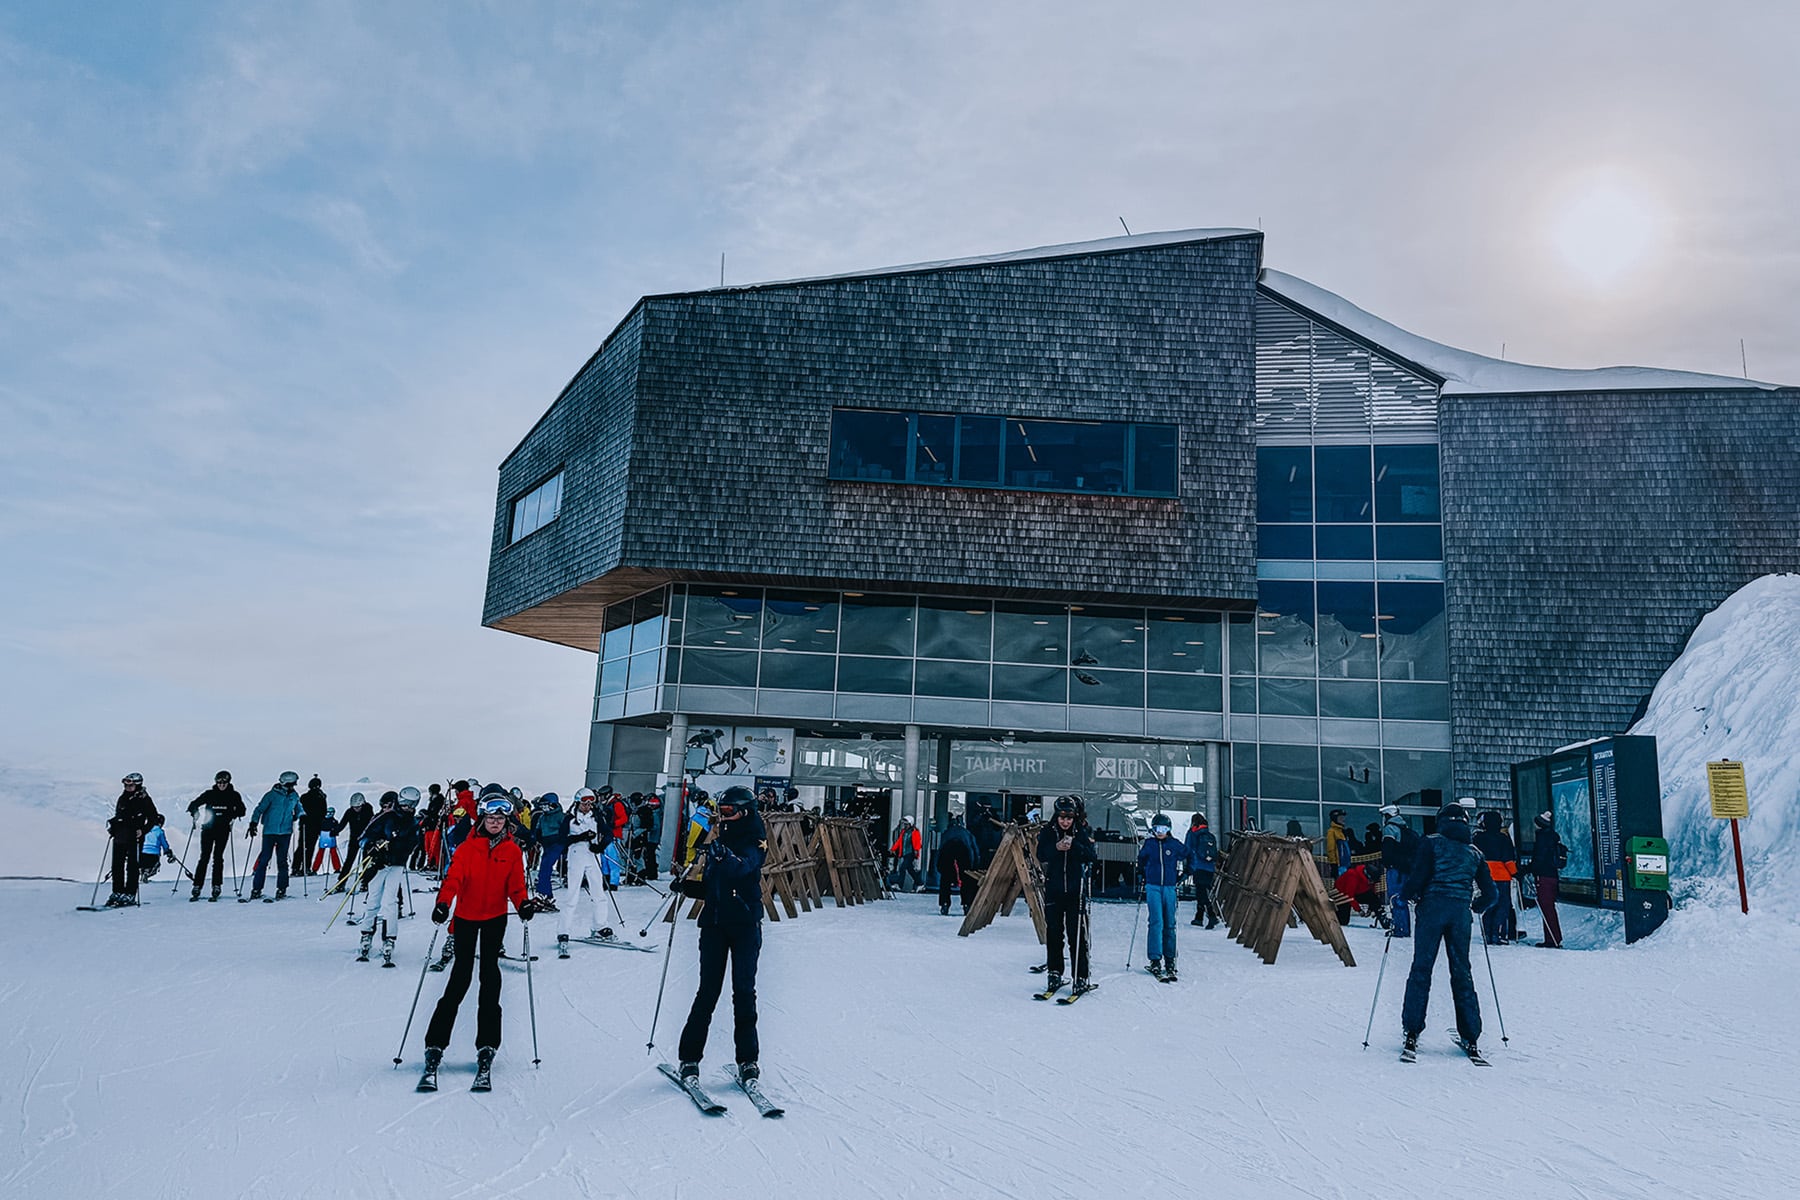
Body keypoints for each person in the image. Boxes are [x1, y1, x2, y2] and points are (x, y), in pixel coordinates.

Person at [419, 794, 535, 1092]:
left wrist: (523, 904)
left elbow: (516, 885)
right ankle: (435, 1045)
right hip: (468, 919)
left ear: (506, 822)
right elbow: (453, 879)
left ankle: (487, 1045)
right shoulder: (468, 848)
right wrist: (443, 904)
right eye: (490, 819)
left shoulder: (511, 851)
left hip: (495, 918)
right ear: (482, 820)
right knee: (459, 980)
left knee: (490, 980)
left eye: (500, 820)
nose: (495, 823)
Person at [676, 785, 768, 1084]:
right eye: (721, 812)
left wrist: (722, 855)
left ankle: (748, 1060)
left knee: (743, 992)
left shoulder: (755, 840)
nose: (723, 817)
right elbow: (715, 888)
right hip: (715, 925)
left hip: (744, 926)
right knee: (707, 992)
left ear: (745, 811)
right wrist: (688, 887)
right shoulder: (721, 839)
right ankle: (689, 1058)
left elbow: (743, 868)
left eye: (728, 811)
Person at [1398, 800, 1498, 1061]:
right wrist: (1476, 906)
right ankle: (1471, 1034)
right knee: (1462, 972)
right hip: (1460, 914)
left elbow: (1418, 877)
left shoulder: (1431, 842)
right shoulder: (1474, 852)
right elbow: (1491, 892)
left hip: (1431, 910)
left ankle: (1412, 1029)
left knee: (1421, 968)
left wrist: (1407, 895)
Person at [1035, 796, 1096, 995]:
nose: (1065, 822)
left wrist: (1075, 847)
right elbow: (1041, 854)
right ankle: (1054, 972)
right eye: (1062, 817)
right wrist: (1056, 848)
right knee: (1054, 932)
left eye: (1069, 818)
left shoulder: (1080, 832)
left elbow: (1091, 855)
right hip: (1054, 887)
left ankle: (1080, 976)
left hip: (1075, 889)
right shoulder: (1048, 831)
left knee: (1076, 934)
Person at [357, 792, 419, 965]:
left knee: (390, 901)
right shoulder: (386, 817)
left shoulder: (412, 823)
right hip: (378, 864)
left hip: (396, 864)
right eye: (404, 803)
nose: (407, 807)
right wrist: (373, 845)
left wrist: (394, 848)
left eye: (411, 804)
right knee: (373, 899)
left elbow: (412, 844)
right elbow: (364, 837)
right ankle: (366, 933)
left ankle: (389, 937)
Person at [557, 791, 615, 958]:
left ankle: (600, 926)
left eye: (590, 803)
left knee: (598, 892)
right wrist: (580, 837)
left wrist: (601, 845)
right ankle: (563, 931)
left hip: (593, 855)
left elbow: (608, 833)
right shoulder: (569, 818)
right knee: (572, 895)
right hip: (576, 856)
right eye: (584, 803)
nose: (587, 806)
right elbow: (562, 840)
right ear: (577, 802)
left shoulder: (596, 816)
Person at [1137, 813, 1191, 981]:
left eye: (1164, 829)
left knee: (1170, 923)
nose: (1160, 832)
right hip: (1153, 886)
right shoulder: (1150, 844)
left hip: (1169, 887)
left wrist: (1185, 874)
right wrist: (1142, 875)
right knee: (1156, 921)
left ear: (1169, 829)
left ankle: (1170, 959)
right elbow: (1141, 860)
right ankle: (1155, 959)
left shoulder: (1174, 844)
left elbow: (1189, 855)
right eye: (1157, 829)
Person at [105, 773, 163, 907]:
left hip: (134, 837)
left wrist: (143, 830)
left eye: (130, 784)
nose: (127, 787)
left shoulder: (144, 799)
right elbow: (119, 816)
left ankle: (130, 894)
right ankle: (117, 892)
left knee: (132, 866)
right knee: (117, 866)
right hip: (120, 835)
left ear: (137, 785)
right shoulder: (122, 798)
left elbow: (153, 817)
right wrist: (113, 827)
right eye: (126, 784)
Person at [188, 771, 247, 901]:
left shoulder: (234, 795)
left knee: (217, 857)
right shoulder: (209, 794)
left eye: (223, 782)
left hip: (223, 830)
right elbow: (193, 804)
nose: (221, 785)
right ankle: (197, 885)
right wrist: (195, 812)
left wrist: (233, 814)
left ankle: (216, 885)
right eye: (219, 782)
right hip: (208, 829)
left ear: (228, 782)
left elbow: (242, 810)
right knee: (204, 857)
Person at [246, 771, 303, 900]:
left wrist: (301, 816)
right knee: (264, 860)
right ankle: (256, 889)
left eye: (293, 784)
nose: (292, 787)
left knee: (282, 861)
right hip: (270, 832)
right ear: (284, 783)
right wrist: (253, 823)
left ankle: (282, 889)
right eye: (290, 784)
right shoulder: (271, 796)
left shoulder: (294, 796)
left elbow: (299, 809)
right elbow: (259, 809)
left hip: (285, 832)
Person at [1473, 811, 1519, 945]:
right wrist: (1515, 873)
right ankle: (1497, 933)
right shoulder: (1503, 838)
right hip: (1502, 875)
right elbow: (1508, 859)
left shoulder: (1478, 838)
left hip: (1484, 875)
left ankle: (1487, 932)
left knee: (1489, 904)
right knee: (1502, 906)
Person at [1529, 811, 1568, 948]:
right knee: (1549, 907)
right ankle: (1554, 937)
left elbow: (1539, 858)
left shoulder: (1542, 838)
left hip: (1543, 875)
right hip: (1552, 875)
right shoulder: (1553, 837)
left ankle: (1552, 939)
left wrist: (1529, 869)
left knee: (1546, 907)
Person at [1379, 805, 1416, 938]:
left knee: (1395, 897)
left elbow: (1387, 849)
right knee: (1402, 898)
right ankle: (1403, 927)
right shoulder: (1406, 829)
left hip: (1395, 869)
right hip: (1406, 869)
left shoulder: (1390, 829)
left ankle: (1400, 928)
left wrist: (1387, 862)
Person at [936, 814, 979, 916]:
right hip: (963, 850)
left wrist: (939, 866)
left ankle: (945, 903)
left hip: (947, 850)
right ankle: (967, 904)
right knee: (966, 878)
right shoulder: (966, 833)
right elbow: (974, 849)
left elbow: (941, 849)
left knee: (945, 879)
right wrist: (974, 865)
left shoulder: (946, 833)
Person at [1185, 813, 1220, 928]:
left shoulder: (1193, 833)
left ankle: (1212, 915)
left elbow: (1188, 849)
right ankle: (1198, 917)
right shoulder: (1209, 834)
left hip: (1198, 866)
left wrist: (1188, 866)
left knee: (1201, 893)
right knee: (1202, 892)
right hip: (1209, 868)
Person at [531, 793, 567, 903]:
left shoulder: (560, 816)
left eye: (546, 806)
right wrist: (535, 838)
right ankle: (548, 895)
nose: (544, 808)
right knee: (544, 867)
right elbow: (538, 829)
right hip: (546, 844)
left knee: (545, 867)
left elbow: (566, 831)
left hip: (557, 844)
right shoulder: (543, 817)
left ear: (553, 805)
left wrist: (565, 844)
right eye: (542, 806)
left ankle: (543, 893)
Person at [335, 792, 375, 889]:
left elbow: (372, 823)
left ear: (363, 804)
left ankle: (365, 882)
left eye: (358, 807)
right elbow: (342, 823)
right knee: (349, 860)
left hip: (366, 838)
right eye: (354, 807)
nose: (356, 809)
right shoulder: (349, 812)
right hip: (354, 838)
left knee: (366, 860)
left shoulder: (368, 810)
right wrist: (335, 830)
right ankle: (341, 882)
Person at [293, 775, 328, 877]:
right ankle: (306, 867)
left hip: (305, 825)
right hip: (315, 826)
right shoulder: (321, 798)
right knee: (310, 847)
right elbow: (323, 812)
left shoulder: (305, 797)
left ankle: (296, 867)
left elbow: (300, 810)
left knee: (302, 846)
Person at [890, 815, 924, 892]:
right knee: (910, 870)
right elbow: (899, 842)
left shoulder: (915, 832)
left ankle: (899, 885)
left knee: (902, 868)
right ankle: (920, 883)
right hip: (905, 853)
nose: (905, 826)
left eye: (907, 824)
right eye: (905, 824)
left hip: (910, 853)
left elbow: (917, 843)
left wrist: (916, 851)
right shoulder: (903, 832)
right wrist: (893, 849)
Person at [312, 808, 343, 875]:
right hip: (325, 836)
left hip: (328, 837)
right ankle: (315, 869)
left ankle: (337, 868)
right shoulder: (327, 821)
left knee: (332, 852)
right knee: (322, 853)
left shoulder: (331, 821)